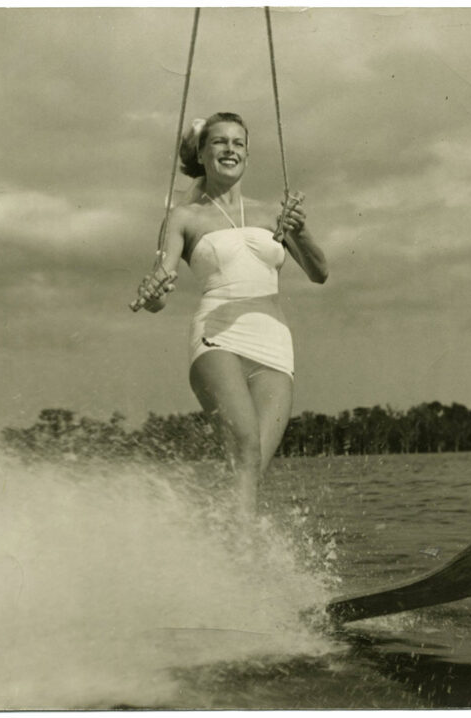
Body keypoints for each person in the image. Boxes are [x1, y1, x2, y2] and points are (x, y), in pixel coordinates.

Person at [136, 111, 328, 515]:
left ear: (247, 156)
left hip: (274, 347)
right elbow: (161, 286)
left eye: (238, 143)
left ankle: (217, 549)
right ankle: (245, 568)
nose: (230, 149)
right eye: (219, 141)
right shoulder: (184, 217)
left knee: (251, 465)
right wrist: (154, 293)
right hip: (217, 338)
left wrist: (300, 230)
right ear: (202, 155)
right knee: (244, 445)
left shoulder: (273, 213)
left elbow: (319, 273)